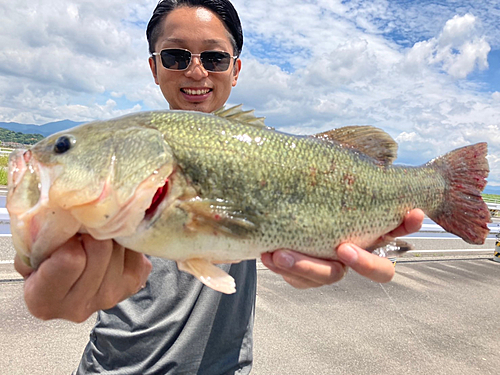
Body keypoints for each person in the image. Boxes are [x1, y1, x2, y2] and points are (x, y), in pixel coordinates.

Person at [14, 0, 425, 373]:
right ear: (154, 67)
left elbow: (288, 227)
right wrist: (50, 282)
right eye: (176, 56)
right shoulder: (90, 201)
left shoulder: (258, 151)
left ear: (235, 68)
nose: (197, 71)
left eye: (214, 57)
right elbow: (45, 263)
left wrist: (327, 254)